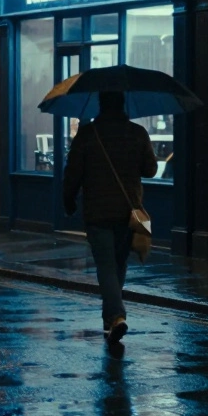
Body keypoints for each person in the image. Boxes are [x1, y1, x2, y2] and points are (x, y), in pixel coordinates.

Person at [63, 91, 158, 344]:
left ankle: (116, 316)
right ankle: (111, 320)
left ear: (100, 106)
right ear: (123, 105)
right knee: (118, 265)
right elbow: (151, 169)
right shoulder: (137, 133)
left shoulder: (87, 135)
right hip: (128, 212)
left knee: (106, 266)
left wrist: (68, 199)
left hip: (97, 211)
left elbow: (73, 172)